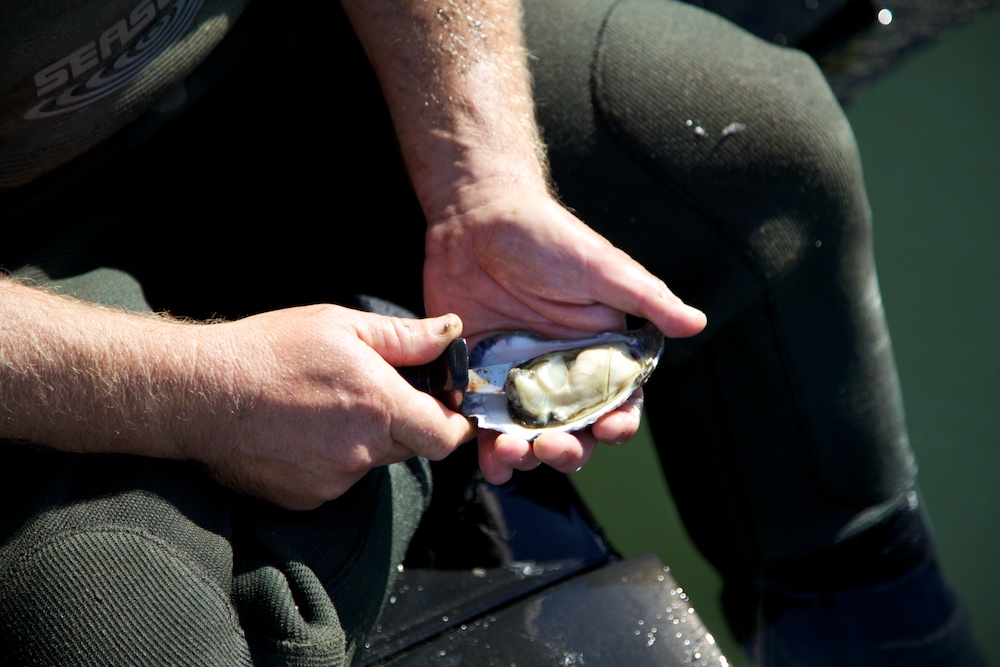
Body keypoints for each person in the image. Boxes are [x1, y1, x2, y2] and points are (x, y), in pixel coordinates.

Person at [0, 0, 985, 666]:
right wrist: (196, 396)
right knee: (114, 617)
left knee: (754, 140)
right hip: (31, 286)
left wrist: (483, 174)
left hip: (281, 68)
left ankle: (863, 617)